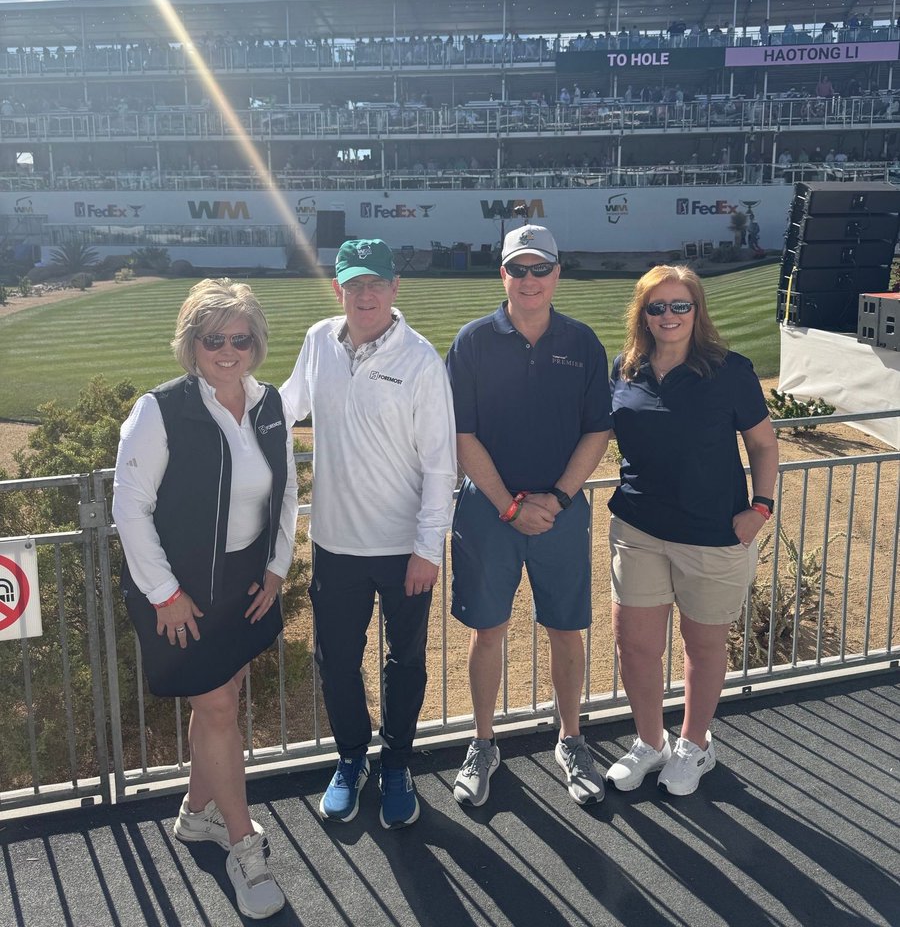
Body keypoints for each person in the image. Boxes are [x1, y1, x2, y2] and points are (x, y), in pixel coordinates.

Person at [112, 279, 297, 920]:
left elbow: (288, 492)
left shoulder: (270, 404)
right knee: (218, 707)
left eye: (239, 338)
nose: (226, 350)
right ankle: (245, 847)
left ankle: (195, 816)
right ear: (191, 344)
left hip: (245, 587)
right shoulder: (158, 411)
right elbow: (128, 509)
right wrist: (164, 595)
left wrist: (276, 569)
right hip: (182, 592)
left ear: (256, 343)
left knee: (221, 704)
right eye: (211, 338)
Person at [279, 239, 456, 829]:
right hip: (335, 545)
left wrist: (428, 549)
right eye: (353, 285)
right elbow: (286, 407)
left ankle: (397, 762)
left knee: (404, 661)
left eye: (375, 284)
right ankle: (351, 758)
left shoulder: (422, 360)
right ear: (339, 290)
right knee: (337, 662)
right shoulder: (318, 341)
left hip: (404, 548)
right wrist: (223, 407)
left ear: (395, 288)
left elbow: (439, 465)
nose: (365, 295)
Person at [447, 225, 612, 808]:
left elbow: (598, 429)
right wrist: (511, 505)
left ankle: (571, 738)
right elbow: (463, 435)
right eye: (519, 269)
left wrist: (559, 499)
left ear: (557, 275)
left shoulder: (583, 342)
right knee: (488, 630)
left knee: (566, 630)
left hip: (561, 512)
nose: (530, 279)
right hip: (491, 509)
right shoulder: (472, 342)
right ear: (504, 276)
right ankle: (483, 741)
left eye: (541, 268)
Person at [604, 266, 778, 797]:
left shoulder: (729, 371)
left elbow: (765, 445)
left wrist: (761, 508)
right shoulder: (626, 367)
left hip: (712, 534)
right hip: (638, 527)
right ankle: (649, 742)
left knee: (702, 646)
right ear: (643, 314)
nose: (669, 316)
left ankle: (695, 744)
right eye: (657, 307)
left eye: (680, 305)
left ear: (697, 310)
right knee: (634, 645)